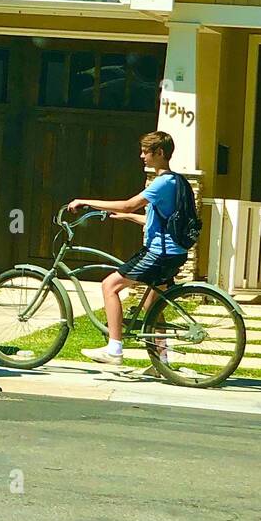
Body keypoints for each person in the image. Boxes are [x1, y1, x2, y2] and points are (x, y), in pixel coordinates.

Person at [67, 130, 196, 367]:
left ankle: (114, 348)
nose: (141, 156)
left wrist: (85, 201)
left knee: (109, 285)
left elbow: (129, 204)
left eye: (146, 152)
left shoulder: (162, 183)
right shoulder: (178, 181)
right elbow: (160, 221)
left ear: (159, 153)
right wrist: (127, 218)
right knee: (152, 306)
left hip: (159, 253)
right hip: (174, 252)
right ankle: (162, 364)